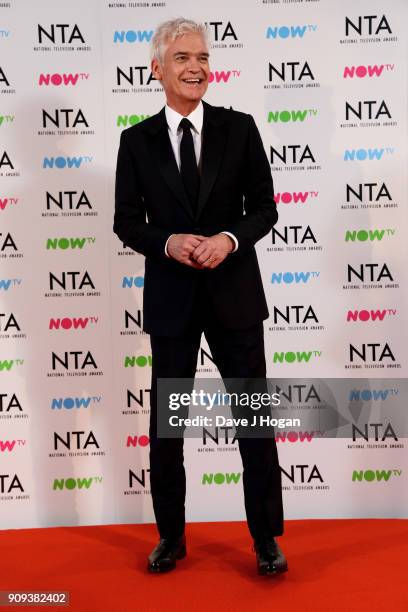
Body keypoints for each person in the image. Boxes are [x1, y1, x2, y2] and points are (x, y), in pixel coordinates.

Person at [114, 17, 287, 576]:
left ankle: (266, 541)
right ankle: (170, 537)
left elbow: (265, 207)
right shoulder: (135, 141)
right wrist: (168, 241)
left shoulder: (240, 128)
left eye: (203, 57)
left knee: (253, 421)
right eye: (184, 57)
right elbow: (126, 223)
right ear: (157, 68)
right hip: (172, 300)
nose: (196, 67)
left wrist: (229, 239)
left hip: (234, 295)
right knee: (168, 426)